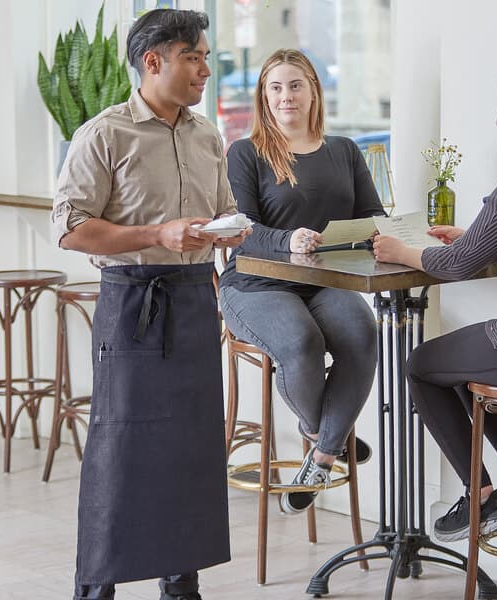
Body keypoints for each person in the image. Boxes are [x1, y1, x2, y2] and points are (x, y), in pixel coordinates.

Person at [51, 9, 250, 600]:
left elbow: (220, 209)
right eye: (194, 57)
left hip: (193, 300)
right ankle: (97, 587)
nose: (205, 70)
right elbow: (70, 230)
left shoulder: (207, 134)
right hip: (132, 301)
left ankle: (180, 583)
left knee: (188, 450)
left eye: (206, 57)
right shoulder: (104, 133)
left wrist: (227, 231)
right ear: (154, 61)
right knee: (120, 449)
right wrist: (156, 235)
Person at [373, 59, 497, 542]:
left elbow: (457, 265)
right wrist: (475, 236)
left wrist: (403, 250)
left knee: (422, 364)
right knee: (461, 362)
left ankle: (480, 491)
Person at [219, 49, 384, 514]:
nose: (285, 96)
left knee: (362, 332)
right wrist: (288, 240)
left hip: (326, 280)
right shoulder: (246, 152)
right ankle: (329, 435)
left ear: (314, 90)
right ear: (263, 97)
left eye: (295, 85)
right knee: (300, 343)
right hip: (256, 282)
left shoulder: (344, 150)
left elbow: (373, 215)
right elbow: (241, 229)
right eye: (275, 87)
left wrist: (380, 234)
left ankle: (324, 452)